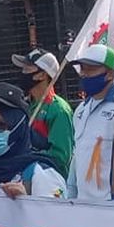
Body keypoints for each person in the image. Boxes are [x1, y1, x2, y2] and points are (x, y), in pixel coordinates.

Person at [66, 45, 114, 202]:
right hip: (84, 204)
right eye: (82, 68)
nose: (84, 74)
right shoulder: (80, 110)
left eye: (90, 69)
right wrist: (71, 193)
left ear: (110, 73)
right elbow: (78, 156)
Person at [11, 48, 75, 177]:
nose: (22, 73)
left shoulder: (58, 110)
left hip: (50, 182)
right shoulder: (25, 105)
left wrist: (30, 157)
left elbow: (61, 157)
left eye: (27, 69)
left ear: (42, 75)